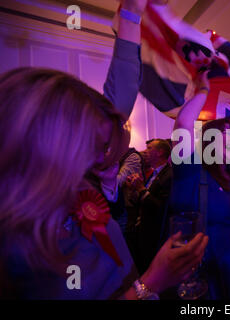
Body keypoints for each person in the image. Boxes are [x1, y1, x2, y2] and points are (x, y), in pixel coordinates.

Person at [0, 0, 208, 299]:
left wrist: (131, 15)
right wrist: (151, 282)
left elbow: (118, 98)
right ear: (48, 146)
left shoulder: (76, 185)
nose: (104, 148)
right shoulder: (18, 250)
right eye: (88, 137)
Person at [169, 71, 230, 299]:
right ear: (210, 140)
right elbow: (183, 123)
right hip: (199, 277)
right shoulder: (191, 172)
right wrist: (203, 88)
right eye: (227, 135)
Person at [126, 139, 173, 274]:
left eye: (149, 148)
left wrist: (141, 189)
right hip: (142, 233)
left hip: (154, 237)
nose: (145, 152)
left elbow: (160, 207)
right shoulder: (154, 173)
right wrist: (135, 189)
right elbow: (143, 201)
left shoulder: (168, 175)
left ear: (160, 152)